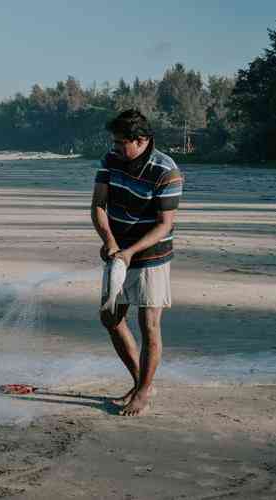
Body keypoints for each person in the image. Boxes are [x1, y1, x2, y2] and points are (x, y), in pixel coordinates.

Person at [90, 109, 183, 416]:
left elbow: (165, 224)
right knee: (110, 319)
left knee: (149, 325)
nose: (115, 147)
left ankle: (142, 391)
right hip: (118, 252)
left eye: (121, 142)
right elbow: (98, 206)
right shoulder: (110, 160)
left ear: (141, 140)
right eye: (114, 142)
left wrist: (131, 252)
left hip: (151, 255)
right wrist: (111, 243)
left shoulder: (166, 170)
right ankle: (141, 381)